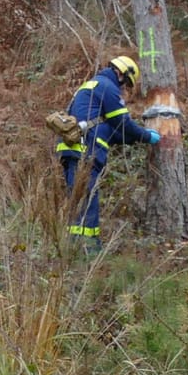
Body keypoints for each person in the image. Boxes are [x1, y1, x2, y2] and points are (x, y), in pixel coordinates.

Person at [56, 54, 159, 250]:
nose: (124, 89)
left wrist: (136, 138)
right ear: (120, 73)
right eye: (126, 83)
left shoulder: (91, 88)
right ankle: (89, 250)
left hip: (73, 150)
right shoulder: (107, 87)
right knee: (87, 202)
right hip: (85, 152)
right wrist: (147, 136)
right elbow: (123, 123)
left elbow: (113, 131)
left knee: (79, 201)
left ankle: (74, 249)